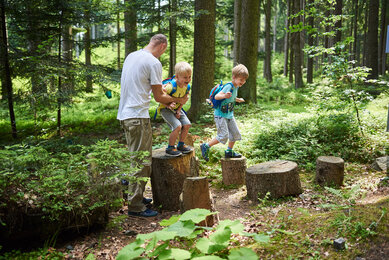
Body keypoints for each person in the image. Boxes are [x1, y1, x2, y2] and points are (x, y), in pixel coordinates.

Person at [117, 34, 189, 217]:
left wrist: (167, 99)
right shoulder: (154, 62)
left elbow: (142, 87)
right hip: (138, 116)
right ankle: (135, 206)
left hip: (125, 115)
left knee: (136, 158)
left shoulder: (132, 56)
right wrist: (178, 99)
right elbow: (159, 96)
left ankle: (136, 195)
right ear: (162, 46)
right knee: (142, 161)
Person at [200, 64, 249, 162]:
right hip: (220, 115)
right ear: (234, 77)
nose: (243, 82)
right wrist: (224, 96)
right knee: (223, 135)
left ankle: (229, 151)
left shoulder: (236, 87)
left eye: (244, 80)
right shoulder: (229, 86)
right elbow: (217, 96)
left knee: (235, 134)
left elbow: (231, 97)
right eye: (241, 80)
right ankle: (205, 146)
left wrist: (237, 99)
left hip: (229, 115)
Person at [158, 62, 193, 156]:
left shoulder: (187, 87)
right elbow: (159, 98)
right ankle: (170, 147)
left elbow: (183, 101)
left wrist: (178, 110)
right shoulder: (171, 86)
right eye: (185, 77)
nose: (188, 79)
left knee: (187, 124)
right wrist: (167, 104)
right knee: (177, 126)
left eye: (189, 77)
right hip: (165, 109)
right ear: (177, 77)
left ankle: (181, 145)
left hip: (177, 109)